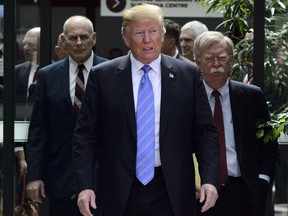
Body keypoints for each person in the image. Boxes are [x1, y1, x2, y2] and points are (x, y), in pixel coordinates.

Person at [73, 4, 220, 216]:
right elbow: (85, 135)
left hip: (171, 188)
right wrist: (85, 185)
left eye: (153, 31)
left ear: (163, 35)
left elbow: (206, 132)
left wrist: (209, 180)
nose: (147, 39)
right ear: (126, 38)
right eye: (139, 33)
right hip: (119, 188)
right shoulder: (102, 76)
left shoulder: (188, 75)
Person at [26, 15, 107, 216]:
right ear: (63, 40)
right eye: (72, 38)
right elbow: (38, 129)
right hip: (60, 178)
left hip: (103, 177)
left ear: (94, 38)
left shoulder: (111, 72)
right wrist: (34, 175)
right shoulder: (48, 75)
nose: (79, 43)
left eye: (84, 37)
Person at [193, 31, 279, 216]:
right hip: (201, 192)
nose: (216, 64)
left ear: (231, 59)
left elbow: (268, 144)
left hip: (243, 190)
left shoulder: (251, 96)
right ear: (198, 62)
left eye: (222, 57)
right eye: (209, 58)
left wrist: (262, 180)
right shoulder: (187, 99)